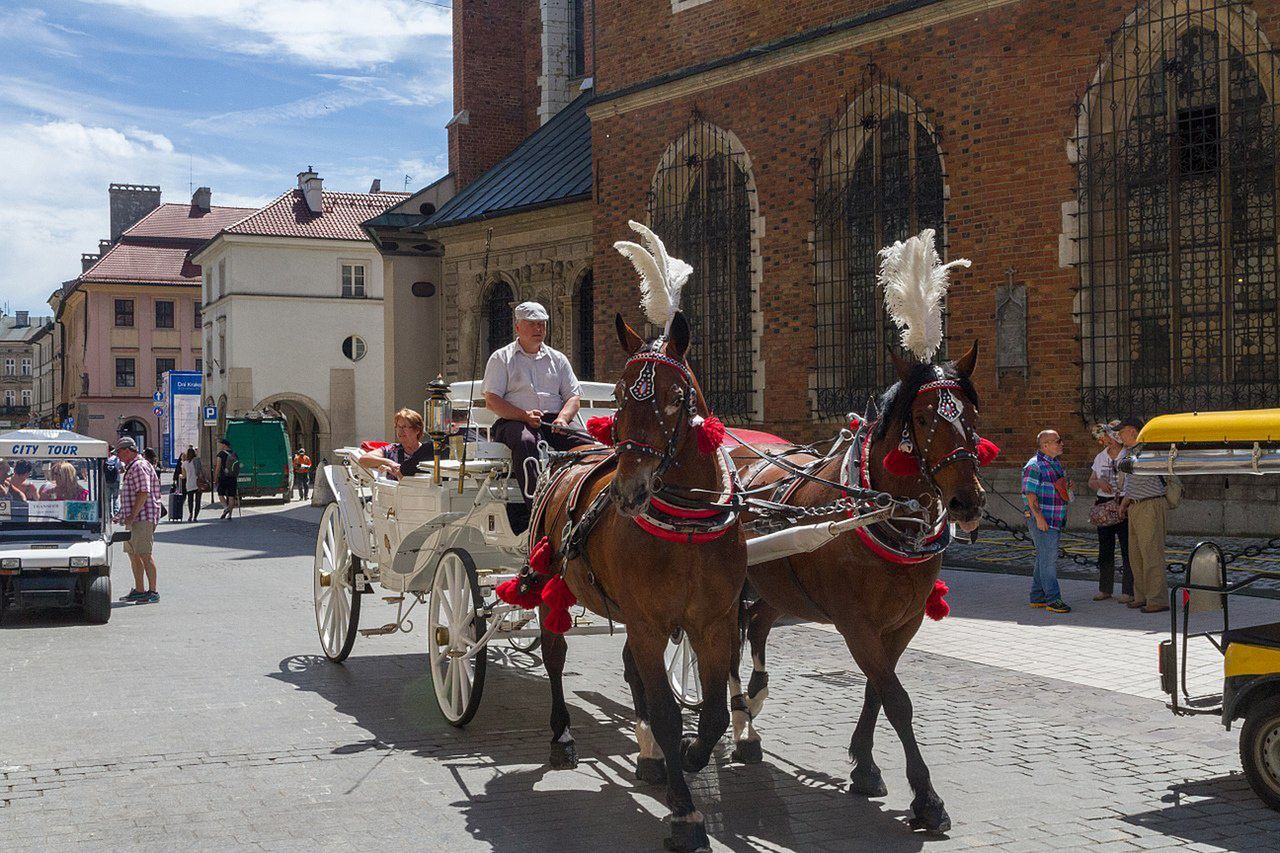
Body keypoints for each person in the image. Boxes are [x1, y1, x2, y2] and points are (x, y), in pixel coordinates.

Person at [482, 301, 582, 531]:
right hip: (513, 421)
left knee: (590, 445)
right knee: (527, 442)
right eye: (532, 324)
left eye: (542, 324)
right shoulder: (501, 358)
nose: (538, 329)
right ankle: (539, 507)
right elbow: (492, 400)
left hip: (553, 421)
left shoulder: (558, 359)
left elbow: (573, 397)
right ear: (518, 328)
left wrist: (563, 419)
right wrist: (523, 415)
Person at [1117, 416, 1170, 614]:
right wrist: (1125, 502)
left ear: (1133, 431)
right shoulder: (1132, 452)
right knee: (1136, 555)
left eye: (1122, 431)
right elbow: (1132, 481)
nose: (1119, 435)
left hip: (1150, 504)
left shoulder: (1149, 451)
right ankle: (1142, 596)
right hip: (1136, 505)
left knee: (1151, 554)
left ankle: (1157, 599)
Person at [1022, 429, 1073, 613]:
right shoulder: (1034, 466)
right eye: (1057, 441)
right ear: (1045, 446)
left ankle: (1037, 596)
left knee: (1044, 557)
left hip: (1055, 518)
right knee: (1048, 560)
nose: (1061, 443)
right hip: (1044, 520)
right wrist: (1039, 518)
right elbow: (1030, 494)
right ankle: (1053, 599)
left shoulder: (1055, 464)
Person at [113, 437, 162, 604]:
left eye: (118, 452)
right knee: (133, 554)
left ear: (127, 450)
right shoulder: (132, 466)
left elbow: (143, 492)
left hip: (142, 517)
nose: (117, 456)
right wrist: (122, 515)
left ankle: (153, 591)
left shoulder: (139, 466)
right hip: (134, 518)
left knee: (144, 554)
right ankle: (140, 590)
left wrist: (132, 515)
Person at [1088, 421, 1132, 603]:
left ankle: (1128, 590)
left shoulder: (1127, 455)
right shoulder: (1100, 457)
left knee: (1127, 548)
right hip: (1104, 503)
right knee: (1105, 547)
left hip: (1124, 501)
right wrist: (1099, 483)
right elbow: (1091, 481)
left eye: (1108, 437)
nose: (1106, 441)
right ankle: (1105, 588)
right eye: (1103, 439)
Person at [359, 409, 434, 479]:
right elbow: (363, 460)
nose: (400, 431)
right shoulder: (391, 450)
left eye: (404, 427)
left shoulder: (427, 451)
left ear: (417, 430)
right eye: (398, 427)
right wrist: (389, 463)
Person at [213, 438, 240, 520]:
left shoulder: (221, 454)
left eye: (220, 444)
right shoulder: (234, 454)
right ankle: (230, 515)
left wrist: (215, 478)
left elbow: (218, 467)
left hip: (223, 477)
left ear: (224, 445)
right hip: (233, 478)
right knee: (231, 496)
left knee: (220, 493)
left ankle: (226, 508)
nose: (220, 446)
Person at [181, 448, 207, 522]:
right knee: (198, 500)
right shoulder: (197, 461)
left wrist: (180, 476)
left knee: (190, 500)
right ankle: (195, 516)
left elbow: (184, 476)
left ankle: (190, 514)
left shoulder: (184, 463)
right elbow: (201, 472)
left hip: (189, 484)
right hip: (198, 483)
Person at [104, 449, 121, 514]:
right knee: (115, 497)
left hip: (107, 480)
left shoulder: (106, 460)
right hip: (116, 480)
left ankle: (109, 513)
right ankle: (116, 511)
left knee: (108, 498)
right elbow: (122, 469)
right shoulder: (117, 459)